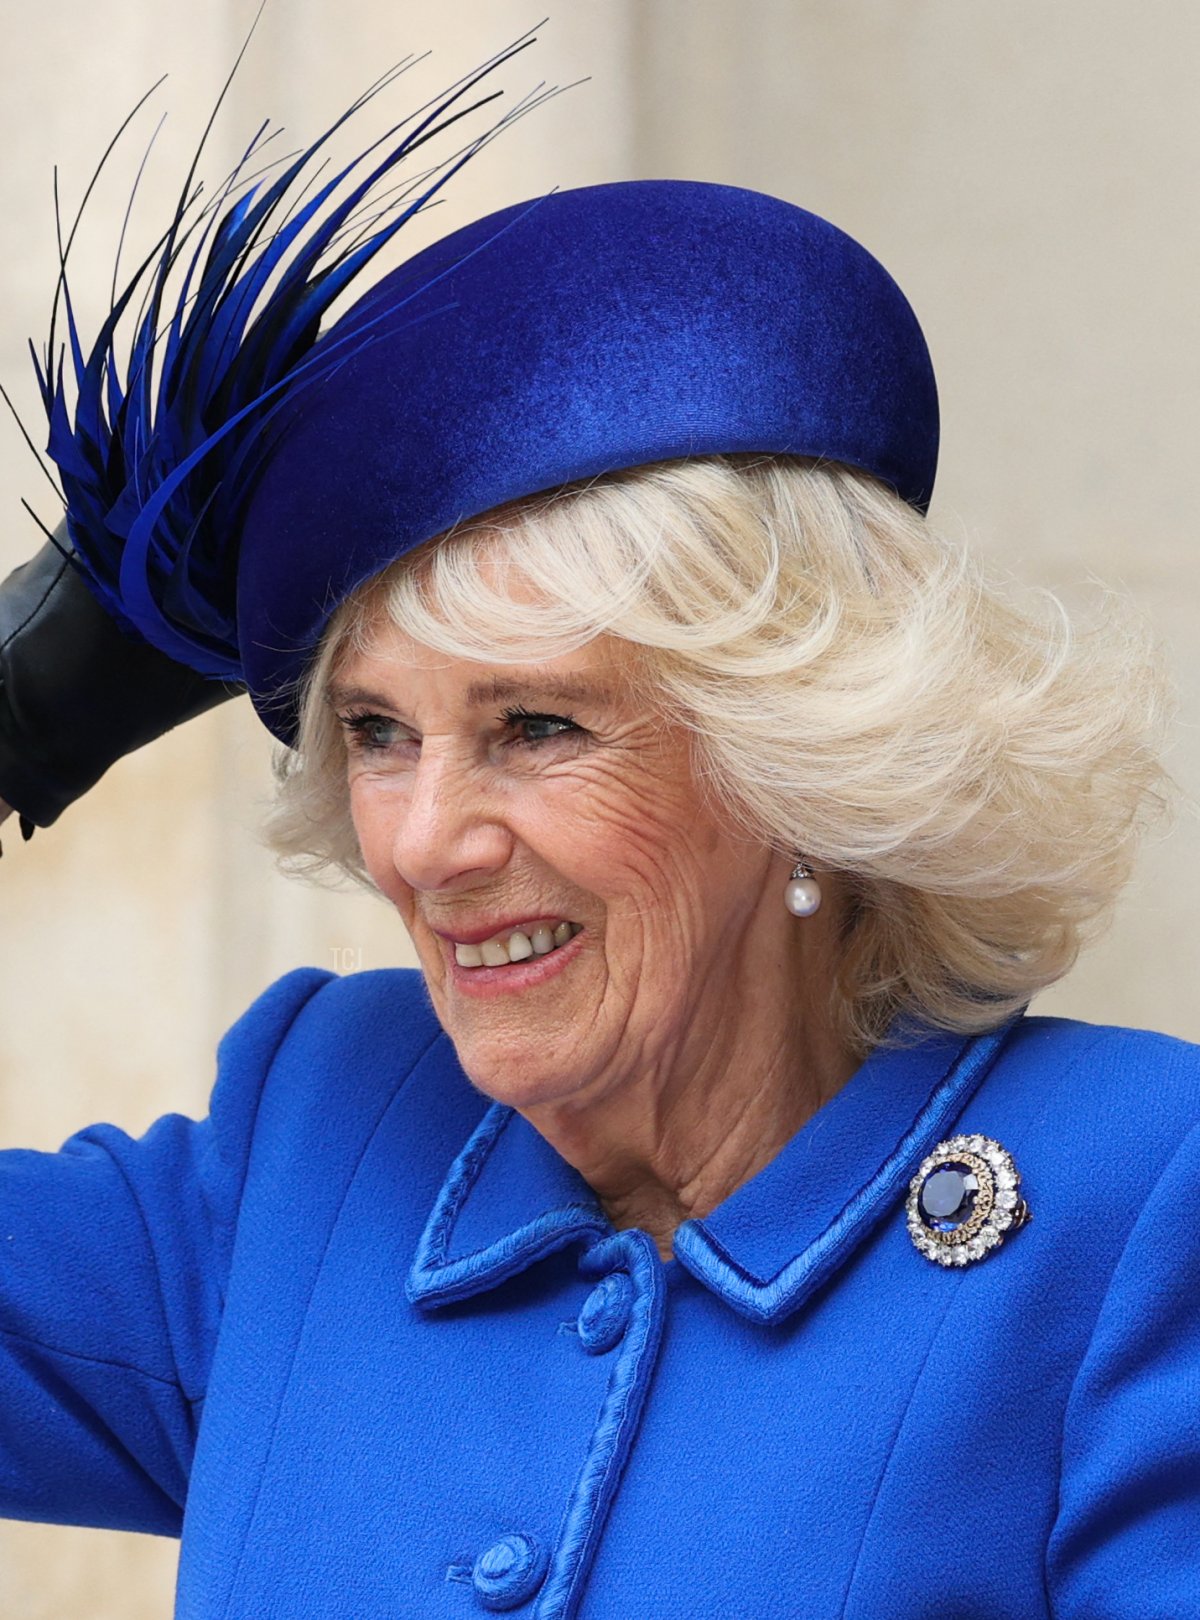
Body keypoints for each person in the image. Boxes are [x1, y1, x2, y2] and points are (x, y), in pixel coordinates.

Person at [1, 37, 1197, 1620]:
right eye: (376, 732)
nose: (424, 843)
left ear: (802, 756)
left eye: (536, 727)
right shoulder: (323, 1129)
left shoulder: (1138, 1199)